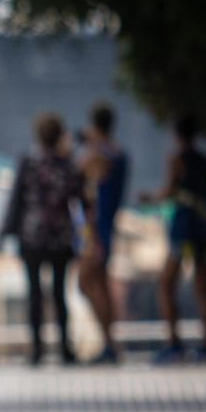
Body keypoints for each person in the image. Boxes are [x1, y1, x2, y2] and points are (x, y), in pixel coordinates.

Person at [0, 113, 84, 366]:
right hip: (60, 236)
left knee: (35, 293)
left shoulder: (29, 163)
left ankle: (37, 349)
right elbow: (80, 199)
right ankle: (65, 347)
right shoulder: (67, 165)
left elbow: (17, 200)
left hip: (33, 236)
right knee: (59, 293)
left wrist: (6, 232)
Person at [141, 115, 206, 363]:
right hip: (203, 226)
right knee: (202, 285)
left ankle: (174, 343)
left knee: (166, 283)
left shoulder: (177, 160)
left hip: (184, 227)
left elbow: (170, 190)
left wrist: (151, 198)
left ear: (176, 135)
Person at [76, 102, 128, 363]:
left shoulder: (100, 155)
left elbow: (83, 174)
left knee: (86, 282)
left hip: (98, 229)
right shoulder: (118, 152)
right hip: (106, 225)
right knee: (101, 283)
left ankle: (109, 343)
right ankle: (110, 344)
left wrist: (88, 145)